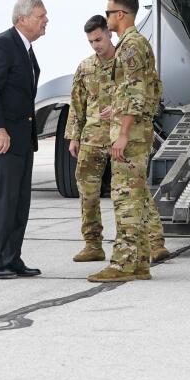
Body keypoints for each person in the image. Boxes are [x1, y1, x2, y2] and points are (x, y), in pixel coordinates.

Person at [88, 0, 168, 282]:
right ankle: (140, 264)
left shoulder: (130, 46)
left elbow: (136, 93)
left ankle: (122, 264)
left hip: (130, 135)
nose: (107, 17)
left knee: (126, 200)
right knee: (135, 197)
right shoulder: (136, 45)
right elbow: (151, 89)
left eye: (109, 12)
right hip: (135, 128)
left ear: (120, 15)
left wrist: (123, 132)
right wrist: (118, 108)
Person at [0, 0, 47, 278]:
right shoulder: (1, 45)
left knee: (19, 201)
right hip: (3, 139)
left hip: (21, 138)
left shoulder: (25, 50)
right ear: (22, 19)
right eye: (41, 16)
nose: (45, 21)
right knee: (5, 198)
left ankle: (10, 257)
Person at [67, 15, 118, 262]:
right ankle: (92, 244)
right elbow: (76, 105)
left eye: (99, 38)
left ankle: (152, 242)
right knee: (87, 192)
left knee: (130, 193)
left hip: (123, 137)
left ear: (109, 33)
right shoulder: (86, 67)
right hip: (92, 139)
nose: (96, 45)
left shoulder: (127, 63)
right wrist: (73, 137)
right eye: (91, 42)